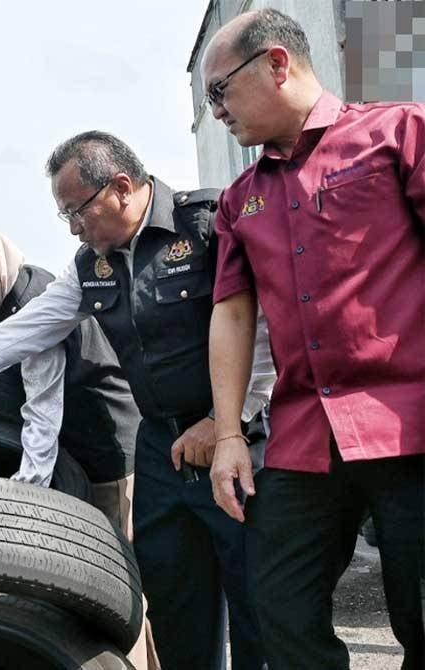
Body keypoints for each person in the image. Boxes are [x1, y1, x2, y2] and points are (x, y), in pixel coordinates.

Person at [0, 130, 273, 670]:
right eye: (64, 216)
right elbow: (35, 323)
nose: (73, 226)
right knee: (174, 602)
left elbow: (263, 324)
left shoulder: (207, 223)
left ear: (120, 187)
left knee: (259, 603)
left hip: (235, 440)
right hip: (161, 448)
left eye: (77, 211)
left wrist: (225, 419)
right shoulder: (91, 263)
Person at [202, 9, 425, 670]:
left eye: (219, 91)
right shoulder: (240, 199)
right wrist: (229, 436)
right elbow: (232, 315)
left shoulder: (398, 133)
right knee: (277, 606)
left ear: (277, 64)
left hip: (410, 418)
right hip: (305, 438)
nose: (216, 112)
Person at [0, 224, 155, 670]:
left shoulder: (32, 307)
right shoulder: (15, 294)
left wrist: (25, 494)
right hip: (83, 453)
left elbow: (42, 409)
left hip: (112, 457)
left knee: (115, 585)